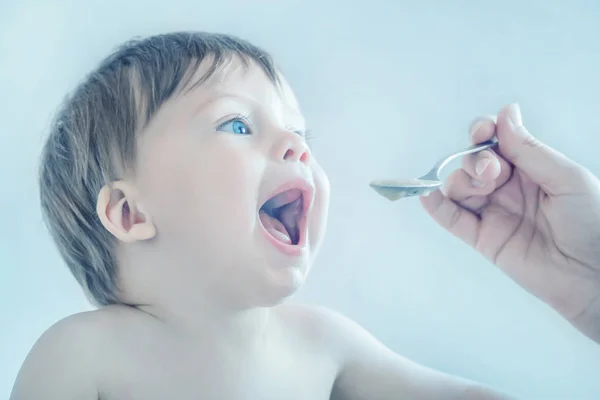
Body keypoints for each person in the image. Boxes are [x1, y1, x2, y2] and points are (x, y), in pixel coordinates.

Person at [9, 31, 599, 400]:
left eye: (299, 132)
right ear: (130, 212)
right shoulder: (83, 354)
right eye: (237, 124)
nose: (299, 148)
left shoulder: (322, 343)